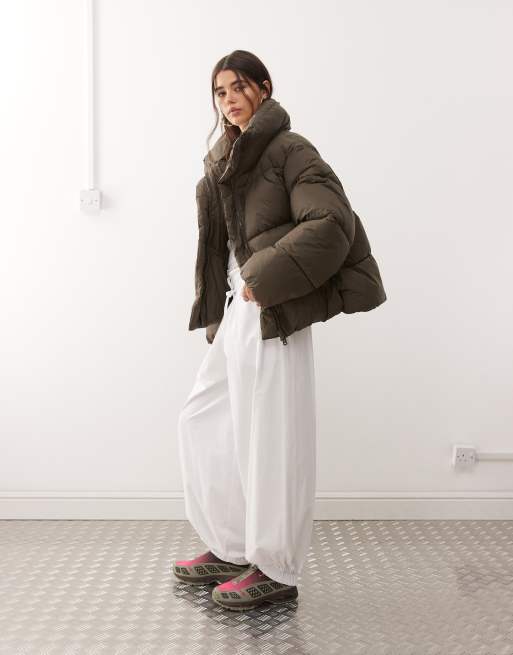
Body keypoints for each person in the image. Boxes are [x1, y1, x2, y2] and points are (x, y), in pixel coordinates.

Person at [174, 50, 387, 611]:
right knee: (206, 418)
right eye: (220, 92)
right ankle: (231, 545)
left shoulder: (290, 150)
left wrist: (262, 278)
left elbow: (333, 224)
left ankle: (275, 568)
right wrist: (225, 299)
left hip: (273, 308)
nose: (229, 99)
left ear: (264, 89)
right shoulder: (225, 160)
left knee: (272, 438)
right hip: (239, 310)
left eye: (239, 87)